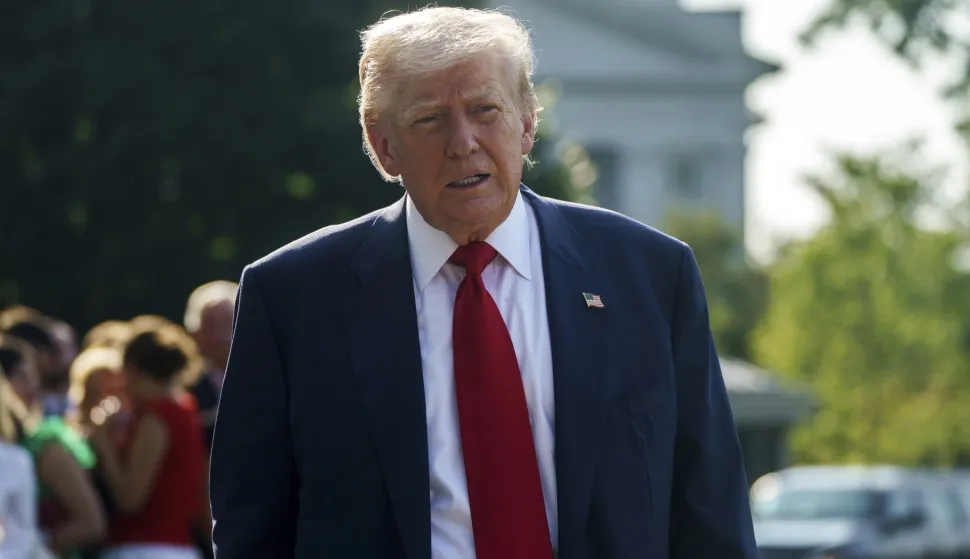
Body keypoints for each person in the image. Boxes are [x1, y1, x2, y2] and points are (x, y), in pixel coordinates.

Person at [209, 6, 757, 559]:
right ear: (383, 146)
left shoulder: (650, 275)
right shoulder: (292, 299)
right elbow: (251, 531)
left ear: (527, 122)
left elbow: (709, 508)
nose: (463, 142)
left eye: (484, 110)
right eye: (429, 118)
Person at [89, 321, 206, 559]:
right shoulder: (186, 409)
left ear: (133, 370)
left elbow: (130, 499)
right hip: (177, 549)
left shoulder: (157, 418)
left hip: (142, 550)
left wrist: (104, 445)